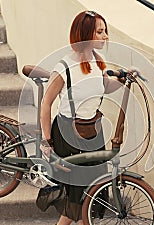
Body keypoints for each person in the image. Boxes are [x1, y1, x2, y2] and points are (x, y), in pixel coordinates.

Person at [39, 10, 126, 225]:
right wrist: (46, 141)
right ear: (85, 34)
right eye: (100, 32)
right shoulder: (65, 68)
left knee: (94, 192)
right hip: (69, 135)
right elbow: (46, 104)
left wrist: (124, 80)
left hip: (93, 131)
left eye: (105, 31)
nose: (105, 36)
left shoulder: (99, 61)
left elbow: (105, 87)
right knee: (78, 199)